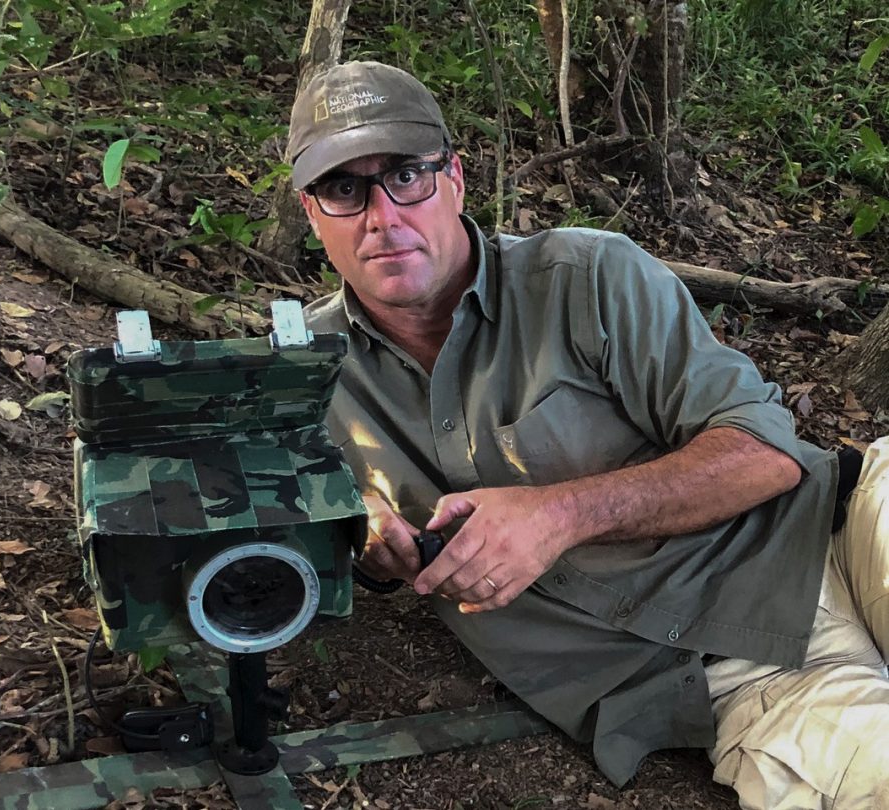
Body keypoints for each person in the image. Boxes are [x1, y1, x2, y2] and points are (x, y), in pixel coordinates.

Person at [286, 60, 889, 809]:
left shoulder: (586, 277)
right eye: (344, 189)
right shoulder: (296, 375)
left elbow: (764, 452)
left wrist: (561, 513)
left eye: (406, 175)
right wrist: (358, 535)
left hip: (843, 533)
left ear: (455, 180)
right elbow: (275, 523)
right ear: (312, 213)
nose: (383, 217)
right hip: (738, 674)